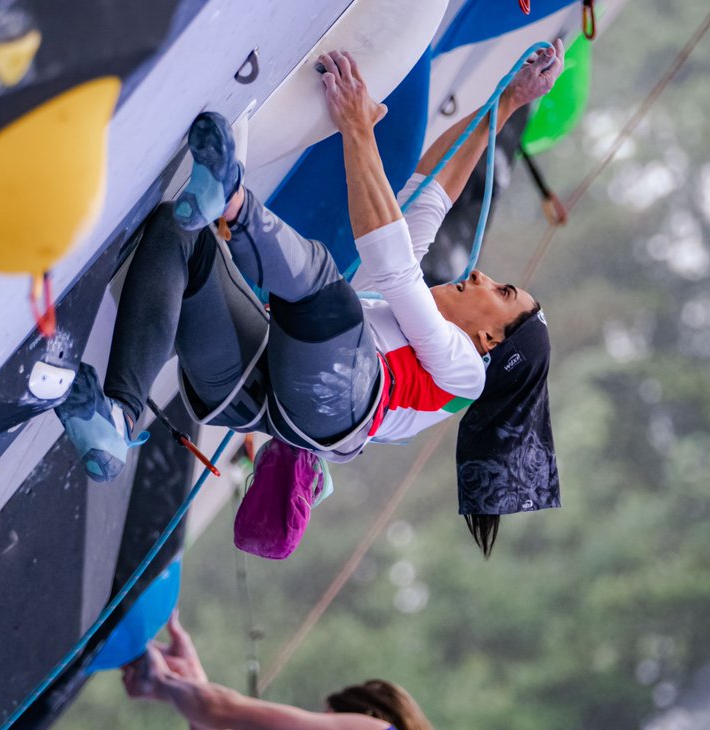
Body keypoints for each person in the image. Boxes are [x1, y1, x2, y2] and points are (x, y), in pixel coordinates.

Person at [55, 42, 566, 557]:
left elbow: (395, 268)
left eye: (502, 292)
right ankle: (116, 420)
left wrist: (357, 128)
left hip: (329, 401)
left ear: (488, 340)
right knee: (179, 232)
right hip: (253, 394)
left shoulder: (467, 375)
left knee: (327, 288)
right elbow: (431, 192)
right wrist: (507, 103)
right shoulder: (416, 335)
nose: (480, 273)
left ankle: (232, 200)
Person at [124, 613, 443, 730]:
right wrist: (191, 677)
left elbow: (222, 709)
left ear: (367, 714)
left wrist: (160, 681)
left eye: (331, 717)